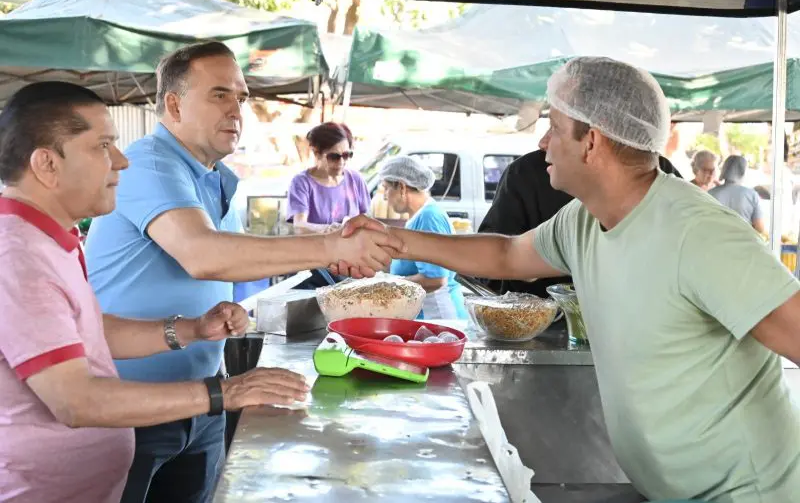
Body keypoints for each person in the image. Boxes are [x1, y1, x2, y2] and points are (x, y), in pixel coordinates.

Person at [335, 57, 800, 503]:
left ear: (592, 142)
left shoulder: (699, 234)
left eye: (554, 127)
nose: (542, 142)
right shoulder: (582, 220)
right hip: (673, 492)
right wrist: (394, 239)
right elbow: (506, 252)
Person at [84, 42, 402, 503]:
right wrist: (331, 246)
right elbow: (203, 254)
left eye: (241, 97)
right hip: (133, 403)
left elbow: (230, 260)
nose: (236, 109)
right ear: (173, 104)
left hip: (203, 394)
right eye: (219, 95)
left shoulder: (215, 175)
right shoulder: (150, 161)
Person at [0, 82, 310, 503]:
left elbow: (85, 333)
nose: (121, 161)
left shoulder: (52, 240)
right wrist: (226, 392)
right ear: (47, 164)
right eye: (103, 147)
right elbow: (75, 401)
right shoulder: (17, 257)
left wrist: (190, 330)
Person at [479, 143, 682, 299]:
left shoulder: (661, 177)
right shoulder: (529, 175)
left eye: (557, 126)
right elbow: (502, 258)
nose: (543, 142)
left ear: (593, 137)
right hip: (536, 332)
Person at [379, 155, 468, 320]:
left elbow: (435, 279)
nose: (385, 196)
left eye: (386, 188)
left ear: (402, 187)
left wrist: (389, 286)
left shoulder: (429, 217)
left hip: (439, 316)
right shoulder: (418, 216)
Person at [287, 122, 370, 233]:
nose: (341, 162)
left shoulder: (355, 180)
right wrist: (331, 230)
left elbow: (367, 219)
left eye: (346, 155)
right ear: (316, 153)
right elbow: (300, 226)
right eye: (334, 157)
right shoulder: (302, 183)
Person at [709, 155, 766, 234]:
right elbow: (760, 228)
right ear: (743, 171)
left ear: (724, 170)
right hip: (743, 242)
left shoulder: (710, 194)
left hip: (716, 241)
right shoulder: (751, 195)